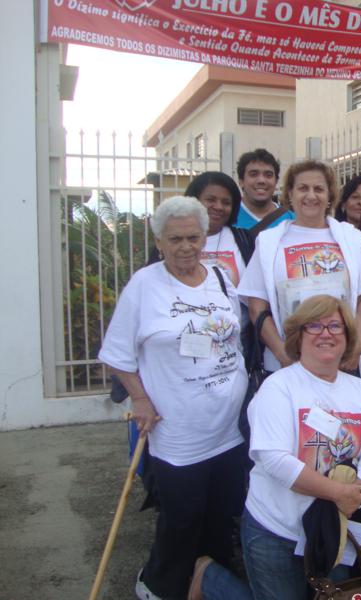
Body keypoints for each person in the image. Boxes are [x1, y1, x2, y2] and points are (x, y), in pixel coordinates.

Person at [189, 295, 361, 600]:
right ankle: (210, 578)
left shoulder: (359, 390)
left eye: (335, 326)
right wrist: (339, 492)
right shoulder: (278, 387)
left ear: (348, 336)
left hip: (333, 528)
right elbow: (274, 459)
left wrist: (357, 486)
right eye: (315, 326)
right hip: (275, 529)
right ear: (298, 337)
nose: (326, 333)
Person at [99, 196, 248, 600]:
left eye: (193, 237)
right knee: (182, 517)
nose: (186, 247)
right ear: (160, 242)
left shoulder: (220, 277)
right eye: (175, 239)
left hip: (227, 425)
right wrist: (140, 400)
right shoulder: (145, 285)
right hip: (178, 427)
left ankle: (209, 579)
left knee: (220, 515)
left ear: (205, 237)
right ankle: (160, 583)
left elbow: (232, 336)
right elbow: (117, 355)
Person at [238, 160, 361, 375]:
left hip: (342, 361)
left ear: (329, 196)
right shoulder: (268, 242)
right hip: (288, 363)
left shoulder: (353, 239)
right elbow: (256, 307)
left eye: (319, 189)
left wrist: (357, 347)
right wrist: (281, 354)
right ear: (289, 194)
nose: (311, 196)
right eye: (303, 188)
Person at [185, 171, 255, 286]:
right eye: (211, 200)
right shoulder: (175, 239)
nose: (218, 207)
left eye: (226, 202)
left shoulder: (246, 239)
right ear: (194, 200)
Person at [235, 148, 294, 230]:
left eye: (268, 175)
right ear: (241, 181)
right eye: (253, 174)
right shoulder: (227, 217)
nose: (261, 180)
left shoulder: (291, 220)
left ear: (276, 181)